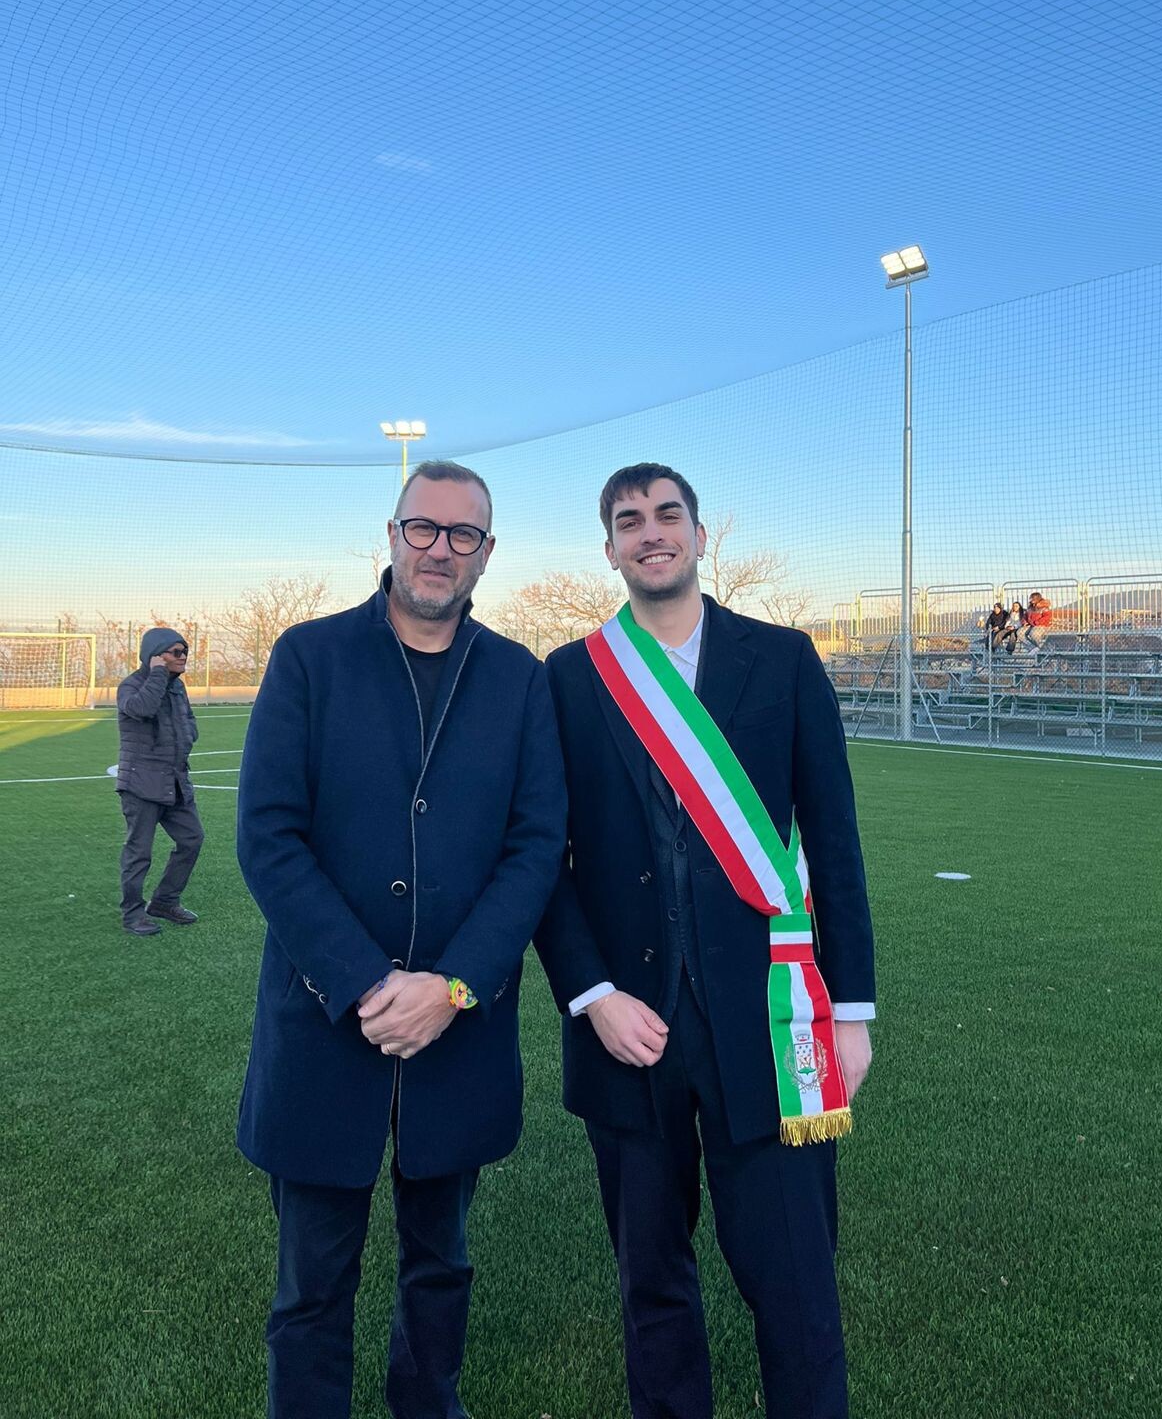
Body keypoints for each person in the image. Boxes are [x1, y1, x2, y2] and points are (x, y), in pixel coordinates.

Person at [535, 464, 875, 1419]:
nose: (650, 532)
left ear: (697, 531)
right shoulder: (569, 676)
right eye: (628, 521)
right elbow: (541, 858)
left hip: (770, 1021)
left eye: (666, 514)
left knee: (797, 1282)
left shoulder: (784, 658)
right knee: (652, 1287)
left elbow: (835, 841)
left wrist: (850, 1011)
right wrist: (591, 995)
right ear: (609, 547)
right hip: (627, 1026)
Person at [236, 460, 565, 1419]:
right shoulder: (309, 657)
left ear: (487, 553)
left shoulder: (519, 677)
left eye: (463, 535)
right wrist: (366, 982)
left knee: (441, 1263)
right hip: (324, 1023)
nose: (439, 549)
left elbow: (536, 847)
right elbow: (268, 836)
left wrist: (453, 985)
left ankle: (427, 1402)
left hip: (459, 1032)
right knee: (312, 1282)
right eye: (424, 527)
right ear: (391, 534)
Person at [114, 627, 204, 935]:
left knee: (192, 839)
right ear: (155, 656)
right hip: (140, 784)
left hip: (175, 780)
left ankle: (165, 902)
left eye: (185, 651)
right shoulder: (131, 686)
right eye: (176, 652)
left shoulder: (177, 687)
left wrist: (189, 735)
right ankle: (133, 914)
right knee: (139, 852)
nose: (183, 657)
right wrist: (156, 674)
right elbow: (142, 709)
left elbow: (188, 721)